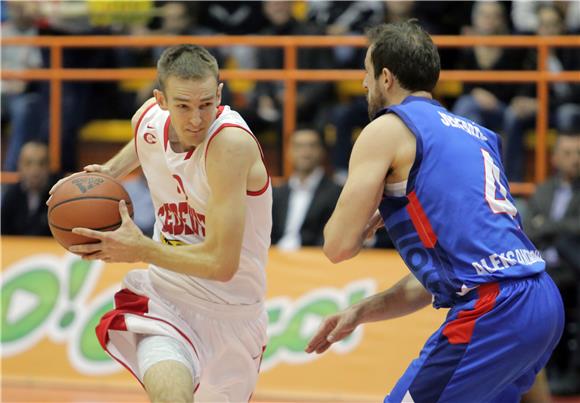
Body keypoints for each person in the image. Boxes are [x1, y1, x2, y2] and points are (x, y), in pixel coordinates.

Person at [305, 22, 564, 402]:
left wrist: (364, 223)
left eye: (366, 71)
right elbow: (443, 277)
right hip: (540, 299)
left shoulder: (387, 129)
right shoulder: (478, 134)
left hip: (493, 307)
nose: (363, 84)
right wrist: (361, 311)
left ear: (386, 78)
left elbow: (337, 246)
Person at [50, 45, 271, 402]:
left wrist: (140, 248)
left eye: (205, 104)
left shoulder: (229, 145)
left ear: (219, 94)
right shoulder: (148, 119)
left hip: (233, 313)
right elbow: (143, 141)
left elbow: (221, 264)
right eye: (183, 105)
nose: (196, 118)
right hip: (165, 299)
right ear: (160, 100)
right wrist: (108, 173)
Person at [523, 131, 580, 395]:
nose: (575, 159)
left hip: (572, 268)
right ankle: (536, 372)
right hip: (541, 268)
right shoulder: (543, 189)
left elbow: (575, 229)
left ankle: (567, 374)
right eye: (568, 153)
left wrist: (548, 226)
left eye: (578, 153)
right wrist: (557, 229)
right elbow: (528, 231)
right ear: (555, 157)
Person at [271, 127, 342, 250]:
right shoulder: (276, 193)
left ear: (322, 150)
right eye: (299, 146)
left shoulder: (337, 192)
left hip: (315, 261)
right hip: (276, 259)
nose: (306, 152)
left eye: (312, 146)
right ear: (288, 151)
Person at [2, 141, 58, 236]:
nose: (35, 170)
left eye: (42, 163)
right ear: (19, 165)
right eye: (28, 163)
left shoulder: (58, 195)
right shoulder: (11, 195)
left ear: (49, 166)